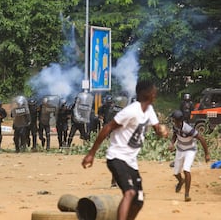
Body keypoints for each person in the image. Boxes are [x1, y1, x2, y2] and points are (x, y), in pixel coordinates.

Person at [82, 80, 169, 220]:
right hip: (117, 157)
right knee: (129, 193)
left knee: (139, 200)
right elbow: (108, 127)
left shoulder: (149, 110)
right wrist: (91, 153)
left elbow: (156, 128)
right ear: (144, 93)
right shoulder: (131, 111)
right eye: (153, 90)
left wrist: (162, 131)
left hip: (131, 161)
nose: (155, 92)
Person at [169, 109, 210, 202]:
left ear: (178, 120)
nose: (173, 121)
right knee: (176, 173)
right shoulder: (175, 126)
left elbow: (201, 139)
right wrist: (172, 143)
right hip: (180, 150)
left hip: (190, 150)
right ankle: (181, 181)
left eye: (173, 119)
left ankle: (186, 194)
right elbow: (175, 135)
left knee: (186, 170)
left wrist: (206, 154)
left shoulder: (188, 129)